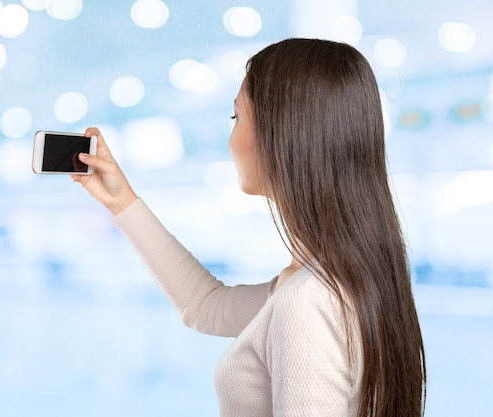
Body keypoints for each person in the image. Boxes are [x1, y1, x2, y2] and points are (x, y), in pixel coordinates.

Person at [71, 38, 426, 417]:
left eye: (236, 117)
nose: (230, 140)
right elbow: (206, 306)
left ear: (282, 133)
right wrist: (121, 200)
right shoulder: (344, 279)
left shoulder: (308, 303)